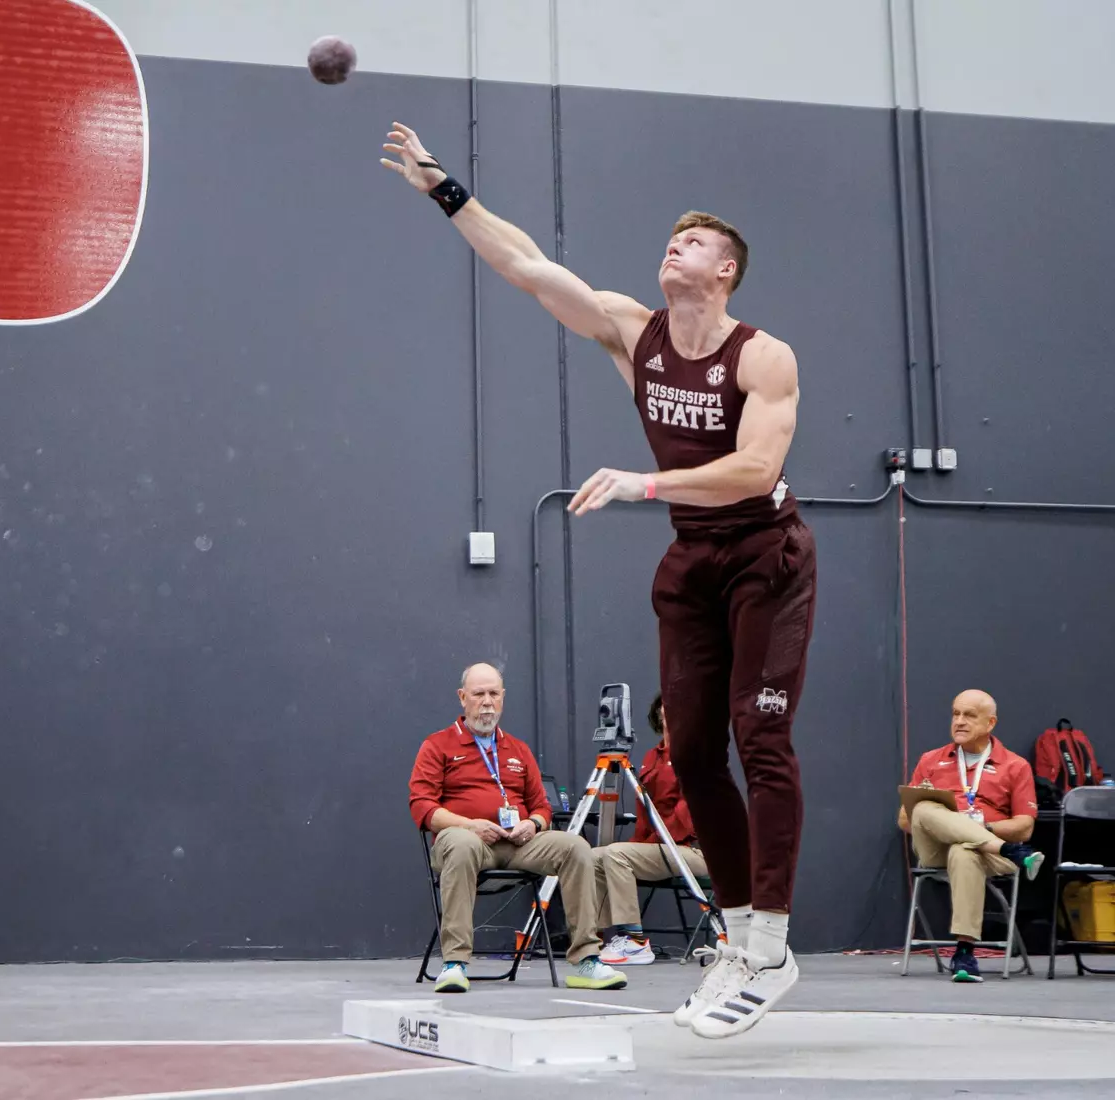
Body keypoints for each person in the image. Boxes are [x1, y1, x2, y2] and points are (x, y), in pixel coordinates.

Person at [382, 122, 812, 1037]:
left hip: (765, 556)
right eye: (670, 238)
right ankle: (737, 938)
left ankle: (771, 942)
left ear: (727, 270)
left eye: (694, 242)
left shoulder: (763, 357)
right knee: (692, 754)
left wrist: (643, 480)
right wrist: (444, 191)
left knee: (758, 739)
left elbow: (750, 466)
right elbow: (529, 267)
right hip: (693, 559)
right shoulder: (635, 331)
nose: (674, 246)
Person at [408, 662, 627, 994]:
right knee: (461, 843)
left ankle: (586, 959)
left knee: (576, 847)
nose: (487, 702)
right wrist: (469, 825)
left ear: (503, 698)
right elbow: (422, 806)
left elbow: (541, 805)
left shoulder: (517, 749)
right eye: (479, 694)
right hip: (467, 841)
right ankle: (455, 963)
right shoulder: (437, 745)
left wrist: (533, 823)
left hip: (519, 844)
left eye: (494, 694)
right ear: (462, 697)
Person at [898, 690, 1045, 983]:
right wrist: (953, 824)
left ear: (990, 723)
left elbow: (1024, 827)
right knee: (923, 808)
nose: (960, 722)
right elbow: (905, 819)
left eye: (969, 715)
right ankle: (1013, 852)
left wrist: (980, 831)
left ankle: (964, 951)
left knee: (964, 851)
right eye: (955, 714)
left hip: (987, 855)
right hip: (936, 847)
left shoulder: (1015, 765)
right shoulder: (931, 760)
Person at [595, 692, 709, 966]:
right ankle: (593, 937)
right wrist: (639, 844)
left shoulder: (696, 753)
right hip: (659, 849)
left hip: (690, 849)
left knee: (615, 854)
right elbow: (644, 812)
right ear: (659, 713)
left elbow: (688, 813)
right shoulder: (651, 756)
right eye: (666, 705)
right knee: (594, 855)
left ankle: (634, 942)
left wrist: (647, 844)